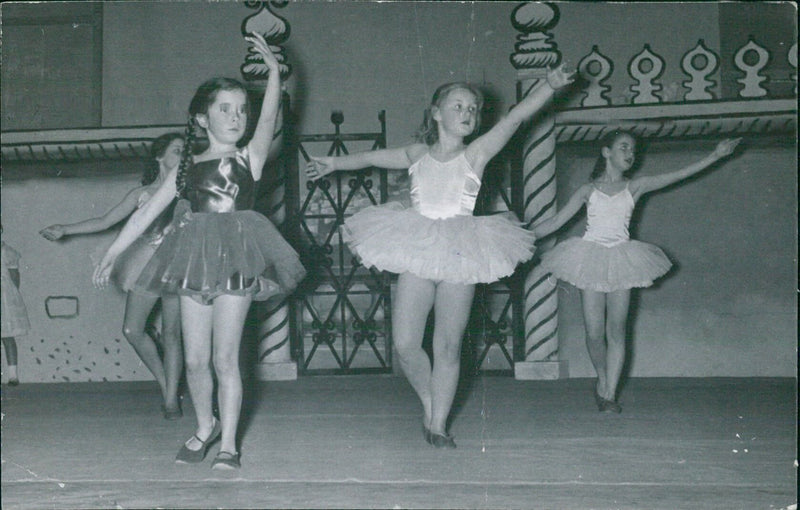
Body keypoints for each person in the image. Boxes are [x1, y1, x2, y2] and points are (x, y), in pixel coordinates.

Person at [306, 65, 574, 448]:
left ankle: (438, 424)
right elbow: (375, 156)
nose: (467, 113)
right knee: (405, 344)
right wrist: (334, 163)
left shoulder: (477, 153)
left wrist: (547, 86)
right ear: (436, 113)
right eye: (458, 105)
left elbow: (515, 118)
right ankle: (431, 399)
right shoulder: (418, 153)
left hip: (462, 249)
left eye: (473, 109)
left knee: (448, 344)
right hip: (418, 247)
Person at [93, 32, 305, 470]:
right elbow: (145, 213)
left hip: (237, 257)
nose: (235, 116)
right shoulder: (186, 167)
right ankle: (203, 427)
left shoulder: (250, 159)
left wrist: (274, 76)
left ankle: (228, 443)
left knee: (226, 357)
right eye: (224, 109)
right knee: (194, 359)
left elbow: (269, 121)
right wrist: (113, 252)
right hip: (192, 259)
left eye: (239, 109)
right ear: (202, 119)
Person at [532, 131, 741, 413]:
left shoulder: (636, 186)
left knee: (616, 330)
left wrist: (715, 155)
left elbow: (678, 175)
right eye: (624, 147)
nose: (631, 153)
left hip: (623, 259)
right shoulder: (587, 190)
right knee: (594, 333)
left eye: (633, 149)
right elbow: (555, 222)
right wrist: (523, 234)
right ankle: (603, 379)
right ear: (606, 152)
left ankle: (609, 394)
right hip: (589, 257)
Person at [40, 133, 186, 419]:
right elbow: (105, 221)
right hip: (147, 266)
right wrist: (66, 229)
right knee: (132, 330)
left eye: (185, 151)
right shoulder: (140, 194)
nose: (183, 155)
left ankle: (171, 400)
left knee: (172, 334)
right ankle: (167, 383)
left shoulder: (188, 189)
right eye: (177, 150)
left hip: (180, 265)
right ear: (159, 157)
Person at [2, 223, 29, 386]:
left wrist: (11, 298)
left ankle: (13, 375)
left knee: (7, 336)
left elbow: (14, 278)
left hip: (4, 298)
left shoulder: (6, 252)